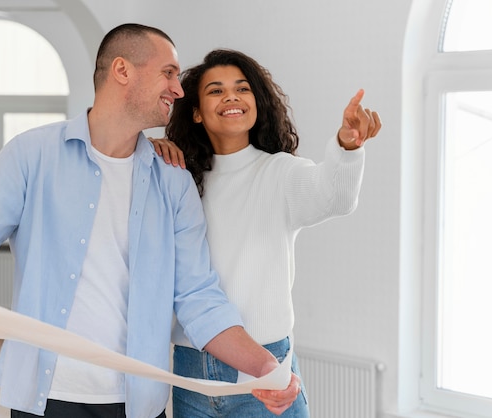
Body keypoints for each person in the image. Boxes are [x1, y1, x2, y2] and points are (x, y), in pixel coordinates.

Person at [0, 25, 301, 418]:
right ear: (122, 70)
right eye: (168, 72)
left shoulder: (173, 181)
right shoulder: (31, 155)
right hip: (42, 396)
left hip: (137, 403)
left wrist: (265, 368)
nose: (179, 88)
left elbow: (198, 297)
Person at [150, 49, 382, 417]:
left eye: (242, 89)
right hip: (193, 371)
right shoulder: (177, 177)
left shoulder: (279, 173)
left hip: (265, 370)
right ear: (195, 111)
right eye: (215, 91)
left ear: (256, 103)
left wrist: (348, 145)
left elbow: (335, 196)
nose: (231, 97)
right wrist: (146, 148)